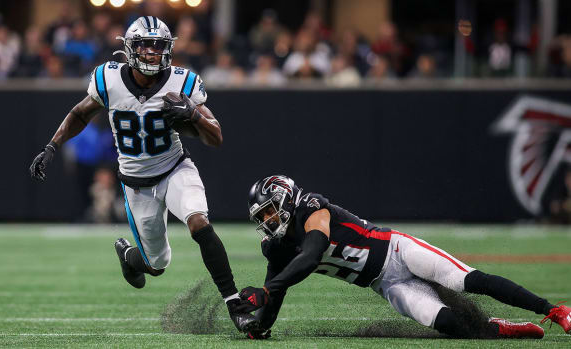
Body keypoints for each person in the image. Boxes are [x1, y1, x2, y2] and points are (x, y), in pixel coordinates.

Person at [29, 16, 257, 333]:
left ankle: (235, 304)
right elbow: (80, 113)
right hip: (136, 185)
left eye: (159, 46)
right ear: (130, 48)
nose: (152, 53)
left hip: (175, 168)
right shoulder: (108, 79)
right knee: (156, 264)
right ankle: (129, 254)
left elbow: (215, 136)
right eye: (146, 46)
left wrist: (193, 114)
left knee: (199, 223)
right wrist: (52, 146)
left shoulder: (182, 81)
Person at [237, 175, 571, 339]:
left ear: (285, 198)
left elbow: (311, 255)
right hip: (385, 284)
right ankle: (498, 327)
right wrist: (259, 325)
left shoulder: (311, 207)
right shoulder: (276, 248)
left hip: (398, 252)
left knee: (467, 280)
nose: (267, 222)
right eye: (261, 218)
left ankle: (554, 310)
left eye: (268, 212)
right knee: (451, 324)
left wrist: (266, 291)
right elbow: (275, 291)